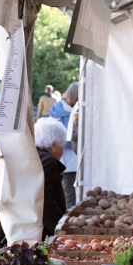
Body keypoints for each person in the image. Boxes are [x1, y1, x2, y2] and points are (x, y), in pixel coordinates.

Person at [34, 117, 68, 237]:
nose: (62, 151)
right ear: (53, 145)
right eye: (62, 146)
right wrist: (61, 226)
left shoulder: (32, 155)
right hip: (35, 229)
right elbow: (43, 200)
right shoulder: (47, 161)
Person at [49, 81, 79, 209]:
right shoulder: (61, 113)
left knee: (68, 195)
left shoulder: (57, 110)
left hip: (69, 160)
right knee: (70, 197)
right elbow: (59, 139)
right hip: (69, 161)